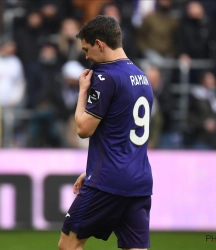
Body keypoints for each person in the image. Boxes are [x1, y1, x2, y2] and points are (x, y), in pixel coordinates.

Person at [58, 15, 153, 250]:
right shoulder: (142, 77)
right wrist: (91, 169)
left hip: (108, 180)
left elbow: (83, 129)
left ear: (100, 44)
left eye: (87, 49)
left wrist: (82, 92)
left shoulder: (105, 75)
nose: (86, 56)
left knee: (68, 245)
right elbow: (121, 130)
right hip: (139, 180)